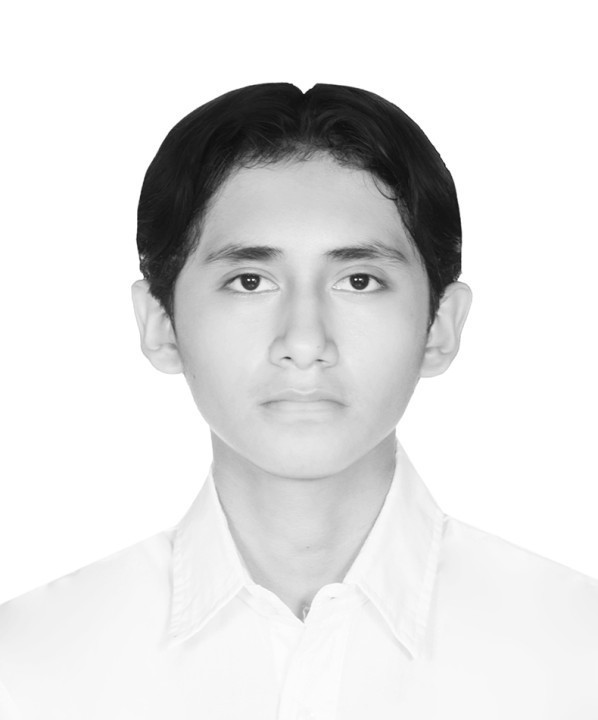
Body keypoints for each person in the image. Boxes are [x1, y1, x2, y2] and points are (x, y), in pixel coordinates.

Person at [0, 82, 596, 719]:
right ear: (160, 323)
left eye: (359, 280)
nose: (305, 343)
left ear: (441, 326)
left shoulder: (577, 656)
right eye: (249, 280)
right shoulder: (26, 667)